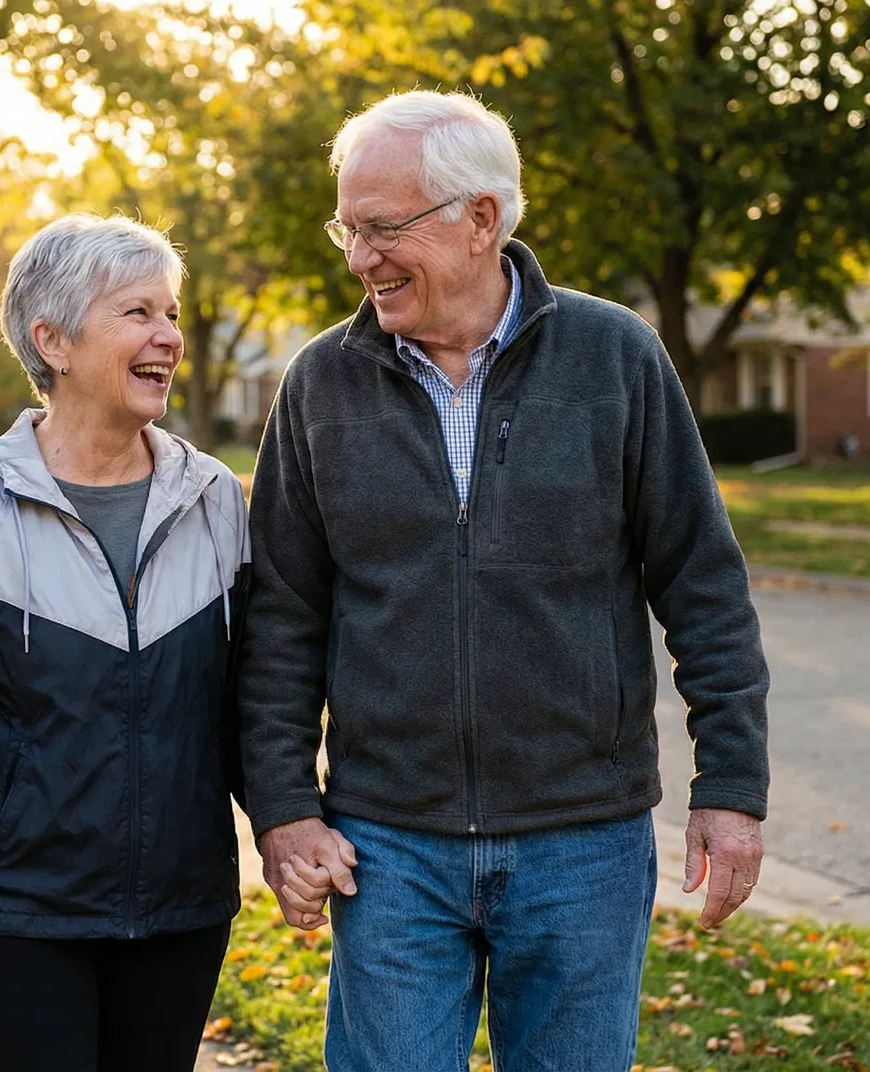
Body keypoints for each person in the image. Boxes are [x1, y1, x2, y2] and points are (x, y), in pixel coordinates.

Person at [238, 91, 771, 1071]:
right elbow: (279, 620)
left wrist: (731, 783)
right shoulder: (321, 384)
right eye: (347, 229)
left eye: (382, 227)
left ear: (480, 218)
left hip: (584, 842)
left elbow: (703, 584)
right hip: (387, 849)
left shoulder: (616, 358)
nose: (359, 257)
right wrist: (282, 805)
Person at [0, 214, 250, 1071]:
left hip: (181, 913)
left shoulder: (216, 499)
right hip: (20, 916)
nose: (169, 337)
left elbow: (253, 704)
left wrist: (290, 826)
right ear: (54, 341)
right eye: (138, 313)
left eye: (172, 312)